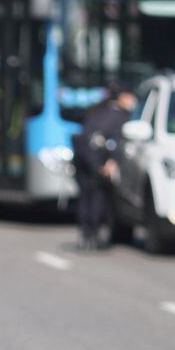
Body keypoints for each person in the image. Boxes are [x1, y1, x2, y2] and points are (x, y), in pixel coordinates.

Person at [72, 83, 136, 250]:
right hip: (97, 160)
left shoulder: (96, 110)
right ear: (122, 96)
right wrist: (108, 163)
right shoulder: (119, 115)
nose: (133, 100)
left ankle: (86, 234)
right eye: (130, 96)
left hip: (83, 158)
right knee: (98, 197)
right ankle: (93, 234)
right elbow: (114, 142)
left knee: (86, 197)